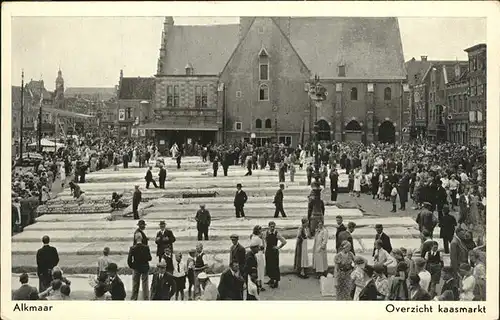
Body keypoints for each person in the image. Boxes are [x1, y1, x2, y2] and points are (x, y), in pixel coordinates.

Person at [128, 233, 152, 300]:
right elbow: (150, 258)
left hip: (136, 267)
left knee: (135, 284)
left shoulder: (132, 248)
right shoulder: (146, 247)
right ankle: (146, 298)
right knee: (145, 285)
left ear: (135, 239)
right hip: (144, 267)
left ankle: (134, 299)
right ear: (141, 238)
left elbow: (129, 260)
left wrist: (132, 266)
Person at [264, 221, 287, 288]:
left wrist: (278, 247)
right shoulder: (266, 233)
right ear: (268, 226)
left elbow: (284, 241)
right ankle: (271, 279)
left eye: (273, 226)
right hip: (268, 251)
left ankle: (276, 282)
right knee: (269, 266)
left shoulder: (276, 233)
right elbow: (263, 239)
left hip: (274, 252)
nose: (272, 228)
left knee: (275, 266)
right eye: (271, 226)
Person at [250, 226, 266, 291]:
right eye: (260, 230)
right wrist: (262, 239)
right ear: (258, 231)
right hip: (259, 255)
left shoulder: (252, 236)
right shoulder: (259, 239)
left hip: (254, 254)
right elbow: (263, 247)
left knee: (256, 269)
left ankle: (256, 284)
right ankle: (260, 285)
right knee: (260, 270)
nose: (261, 231)